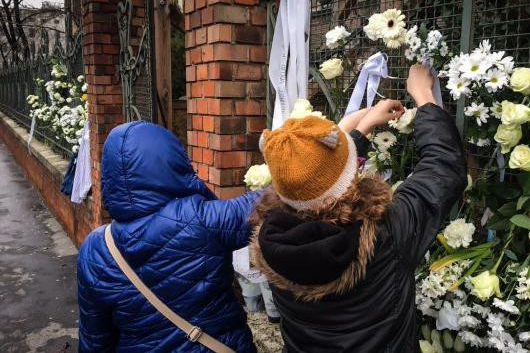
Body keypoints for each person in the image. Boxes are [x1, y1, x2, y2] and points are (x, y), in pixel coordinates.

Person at [250, 64, 467, 352]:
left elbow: (320, 180)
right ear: (352, 171)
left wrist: (362, 127)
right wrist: (424, 96)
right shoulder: (386, 234)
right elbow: (441, 170)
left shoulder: (273, 241)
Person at [77, 122, 258, 352]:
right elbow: (266, 204)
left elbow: (94, 339)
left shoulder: (94, 249)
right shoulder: (200, 219)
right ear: (171, 161)